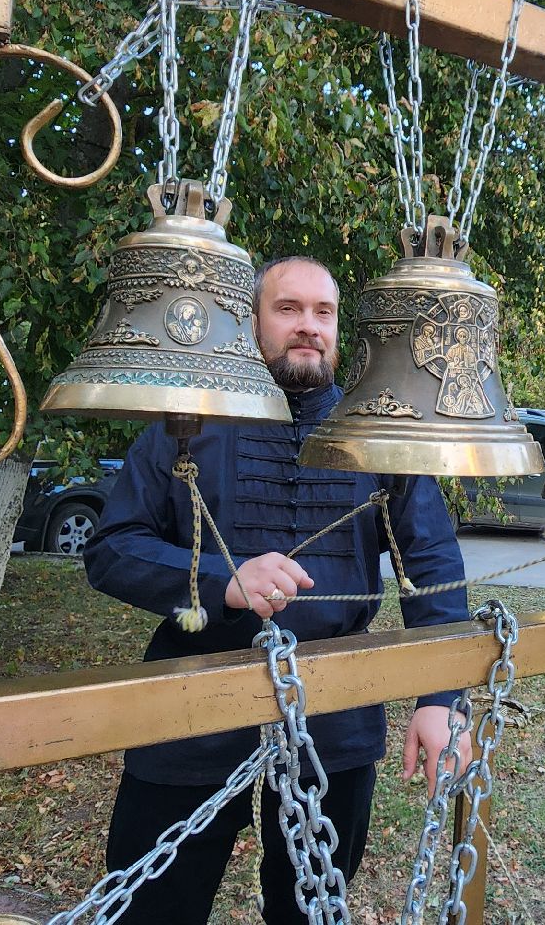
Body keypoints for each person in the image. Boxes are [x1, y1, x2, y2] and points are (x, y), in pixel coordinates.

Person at [85, 256, 471, 923]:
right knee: (153, 907)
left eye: (323, 313)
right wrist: (221, 581)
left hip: (336, 705)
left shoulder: (378, 434)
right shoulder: (188, 423)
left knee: (312, 911)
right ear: (252, 322)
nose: (308, 327)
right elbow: (111, 549)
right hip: (192, 697)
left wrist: (442, 697)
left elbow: (434, 567)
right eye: (288, 309)